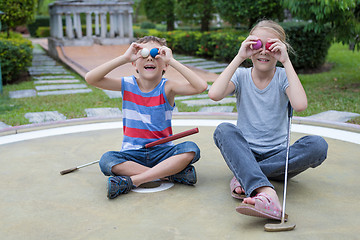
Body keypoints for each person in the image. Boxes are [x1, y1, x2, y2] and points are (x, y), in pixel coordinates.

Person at [208, 20, 328, 220]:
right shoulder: (241, 75)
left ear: (280, 49)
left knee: (318, 145)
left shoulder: (282, 76)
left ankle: (246, 176)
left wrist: (286, 62)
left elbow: (300, 105)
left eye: (271, 47)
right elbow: (214, 94)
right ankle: (267, 193)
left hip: (280, 158)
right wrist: (240, 56)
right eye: (257, 45)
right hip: (246, 153)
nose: (263, 51)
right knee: (223, 130)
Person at [85, 36, 208, 199]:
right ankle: (170, 174)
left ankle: (134, 180)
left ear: (165, 65)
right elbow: (91, 78)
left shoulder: (168, 87)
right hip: (132, 153)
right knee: (107, 160)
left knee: (191, 149)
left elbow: (201, 86)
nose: (150, 57)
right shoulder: (127, 84)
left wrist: (172, 60)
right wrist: (124, 57)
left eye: (157, 54)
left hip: (163, 152)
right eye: (143, 54)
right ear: (134, 63)